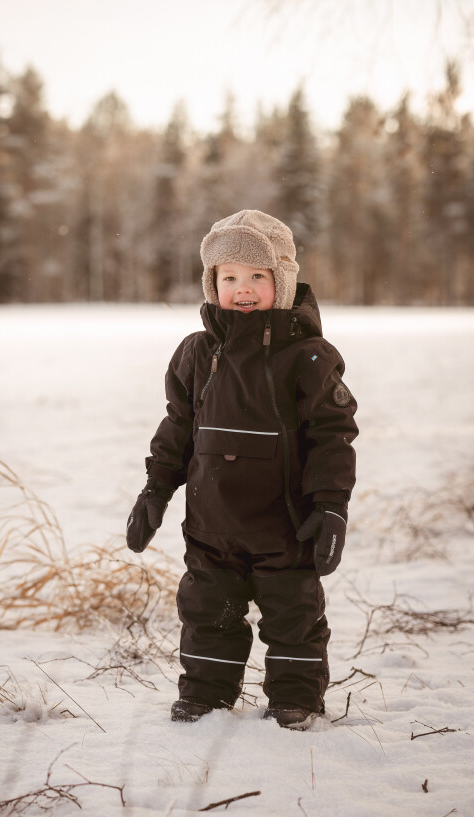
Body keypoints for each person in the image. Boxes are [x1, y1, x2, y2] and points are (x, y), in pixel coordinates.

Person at [126, 209, 358, 730]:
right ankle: (206, 695)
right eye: (228, 277)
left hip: (286, 526)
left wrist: (330, 505)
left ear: (282, 280)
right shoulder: (196, 352)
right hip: (212, 526)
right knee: (208, 613)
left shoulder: (310, 356)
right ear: (212, 284)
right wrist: (156, 488)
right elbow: (178, 427)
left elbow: (332, 437)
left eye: (257, 276)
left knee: (293, 616)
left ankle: (294, 699)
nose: (243, 288)